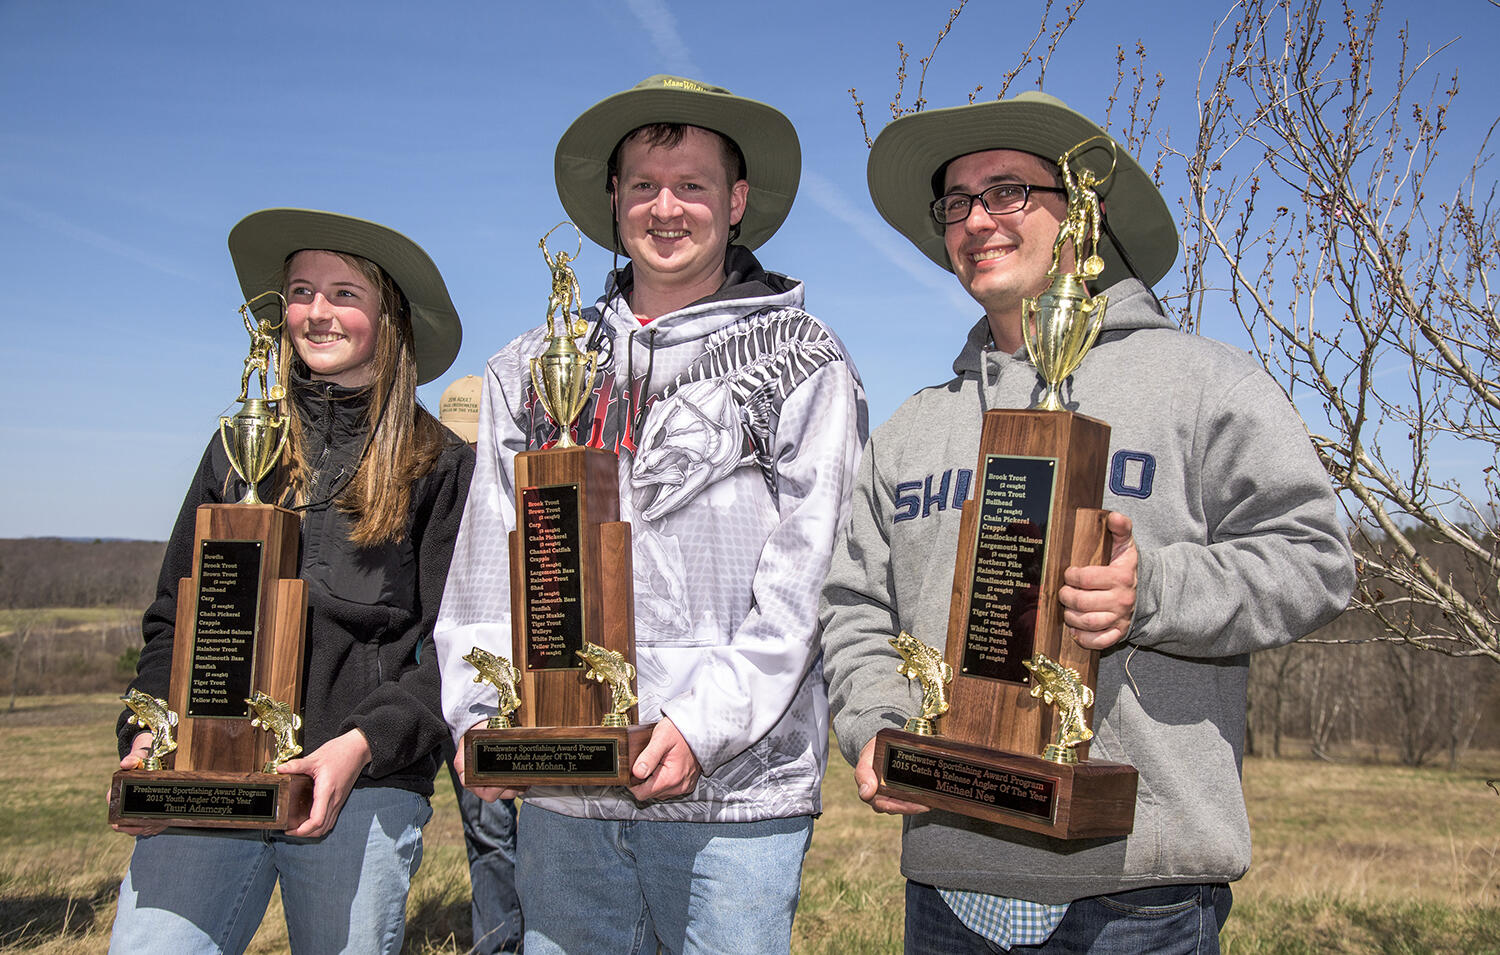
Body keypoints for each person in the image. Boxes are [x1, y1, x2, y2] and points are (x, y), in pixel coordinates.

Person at [819, 91, 1356, 953]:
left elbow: (1317, 559)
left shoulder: (1203, 385)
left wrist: (1155, 591)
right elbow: (853, 607)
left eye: (1007, 192)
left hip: (1136, 893)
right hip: (946, 882)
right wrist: (879, 721)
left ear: (1083, 219)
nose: (976, 220)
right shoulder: (912, 429)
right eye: (956, 202)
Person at [435, 75, 867, 954]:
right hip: (564, 796)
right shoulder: (529, 367)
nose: (666, 208)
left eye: (693, 185)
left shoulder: (806, 360)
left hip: (737, 794)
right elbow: (489, 553)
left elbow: (809, 574)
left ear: (736, 201)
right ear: (614, 201)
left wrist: (700, 725)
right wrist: (481, 709)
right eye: (643, 186)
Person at [109, 209, 473, 955]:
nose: (316, 312)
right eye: (301, 291)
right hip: (207, 775)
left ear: (388, 317)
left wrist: (362, 746)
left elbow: (457, 646)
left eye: (344, 293)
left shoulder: (439, 463)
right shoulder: (238, 446)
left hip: (361, 786)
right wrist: (146, 730)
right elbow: (173, 614)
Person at [438, 373, 524, 955]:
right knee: (489, 832)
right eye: (460, 443)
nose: (471, 454)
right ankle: (497, 943)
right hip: (469, 701)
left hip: (539, 694)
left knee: (546, 829)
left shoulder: (520, 495)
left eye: (478, 441)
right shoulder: (432, 500)